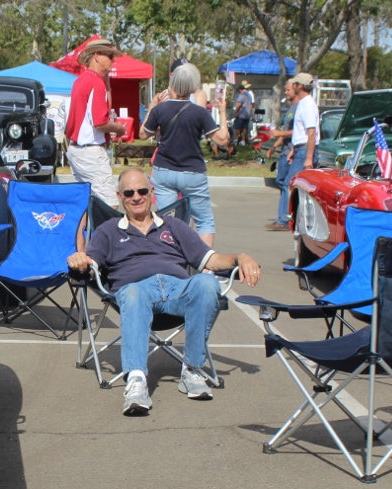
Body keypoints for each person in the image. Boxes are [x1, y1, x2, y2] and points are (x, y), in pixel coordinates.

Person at [67, 168, 261, 415]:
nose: (136, 197)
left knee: (207, 283)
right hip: (134, 290)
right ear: (119, 196)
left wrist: (240, 258)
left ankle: (192, 369)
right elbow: (91, 265)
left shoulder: (174, 226)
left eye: (142, 191)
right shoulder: (108, 230)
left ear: (152, 192)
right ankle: (136, 381)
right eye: (129, 192)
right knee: (134, 293)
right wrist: (80, 261)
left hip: (177, 288)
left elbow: (210, 260)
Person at [139, 63, 229, 246]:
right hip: (192, 171)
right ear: (193, 87)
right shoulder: (199, 112)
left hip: (164, 170)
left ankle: (170, 261)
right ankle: (205, 266)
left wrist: (152, 106)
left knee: (166, 220)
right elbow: (222, 140)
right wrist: (222, 111)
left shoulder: (160, 110)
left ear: (172, 83)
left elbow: (142, 134)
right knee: (204, 221)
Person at [64, 37, 127, 207]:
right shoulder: (95, 82)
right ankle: (102, 235)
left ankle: (83, 235)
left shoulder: (81, 80)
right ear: (97, 56)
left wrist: (107, 84)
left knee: (83, 203)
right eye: (109, 56)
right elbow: (100, 122)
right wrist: (119, 129)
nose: (113, 61)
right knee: (109, 205)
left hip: (76, 149)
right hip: (91, 151)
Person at [265, 71, 319, 232]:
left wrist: (308, 157)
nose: (291, 87)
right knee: (293, 185)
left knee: (293, 185)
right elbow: (300, 132)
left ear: (300, 86)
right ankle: (294, 220)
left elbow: (311, 133)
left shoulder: (308, 105)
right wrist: (293, 150)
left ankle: (296, 220)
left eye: (294, 85)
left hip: (305, 151)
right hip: (299, 149)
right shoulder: (301, 104)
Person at [264, 80, 298, 231]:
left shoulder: (300, 108)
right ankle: (283, 217)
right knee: (281, 182)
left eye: (288, 89)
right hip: (284, 151)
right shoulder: (290, 108)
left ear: (296, 89)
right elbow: (285, 132)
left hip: (294, 151)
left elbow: (300, 132)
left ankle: (284, 219)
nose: (286, 92)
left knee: (286, 185)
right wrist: (274, 146)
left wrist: (279, 133)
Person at [232, 80, 255, 146]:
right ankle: (243, 140)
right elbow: (251, 105)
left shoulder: (242, 95)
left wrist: (235, 112)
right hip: (247, 114)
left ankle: (236, 139)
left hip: (241, 113)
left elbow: (239, 104)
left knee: (238, 127)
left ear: (240, 89)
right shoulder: (249, 95)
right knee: (245, 127)